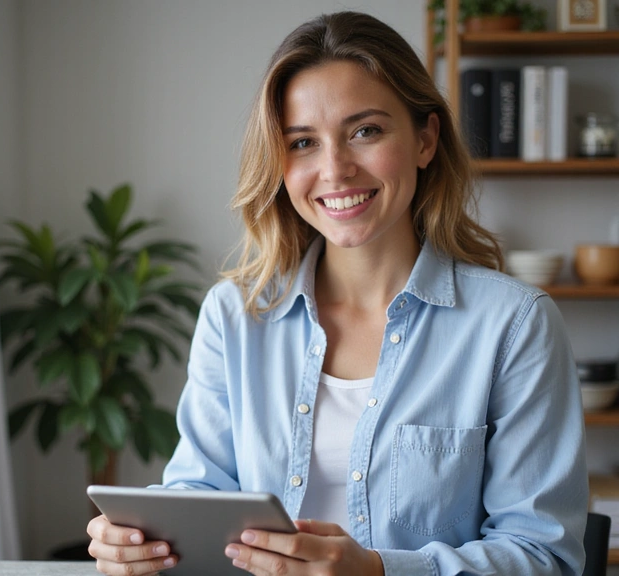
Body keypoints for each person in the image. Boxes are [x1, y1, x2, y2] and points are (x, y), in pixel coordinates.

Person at [87, 11, 589, 576]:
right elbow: (200, 490)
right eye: (302, 142)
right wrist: (140, 541)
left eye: (365, 131)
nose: (335, 169)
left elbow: (545, 557)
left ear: (425, 139)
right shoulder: (234, 316)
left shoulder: (514, 325)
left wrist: (377, 571)